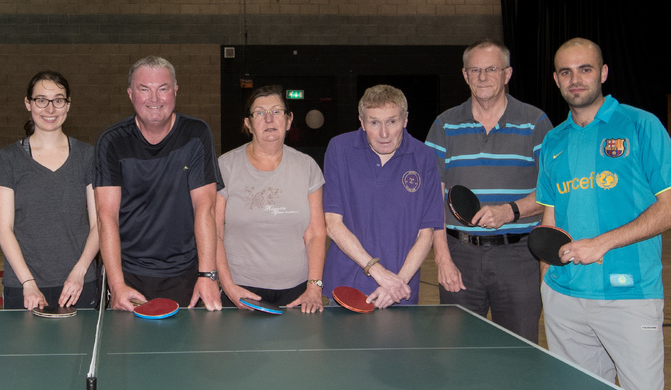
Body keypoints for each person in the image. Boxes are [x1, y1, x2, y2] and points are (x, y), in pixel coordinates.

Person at [536, 38, 671, 390]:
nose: (576, 79)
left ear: (602, 73)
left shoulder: (641, 125)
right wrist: (547, 286)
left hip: (630, 296)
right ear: (556, 79)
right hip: (565, 299)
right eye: (566, 72)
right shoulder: (553, 140)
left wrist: (601, 243)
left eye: (585, 69)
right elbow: (550, 218)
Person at [425, 40, 553, 341]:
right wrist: (443, 259)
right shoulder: (444, 125)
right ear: (465, 75)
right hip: (460, 257)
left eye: (491, 69)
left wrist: (511, 210)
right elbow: (431, 199)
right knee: (459, 353)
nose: (483, 77)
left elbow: (552, 191)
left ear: (507, 74)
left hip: (520, 257)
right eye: (475, 70)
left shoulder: (536, 122)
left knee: (519, 352)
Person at [95, 55, 224, 312]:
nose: (154, 99)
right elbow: (106, 216)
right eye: (145, 89)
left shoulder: (196, 134)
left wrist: (207, 275)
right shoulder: (111, 142)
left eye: (163, 89)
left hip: (187, 274)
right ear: (131, 94)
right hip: (129, 275)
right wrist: (116, 283)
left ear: (175, 92)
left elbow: (205, 207)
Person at [0, 71, 100, 310]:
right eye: (41, 100)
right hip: (23, 286)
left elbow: (100, 223)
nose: (50, 109)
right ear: (28, 103)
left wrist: (80, 272)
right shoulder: (8, 159)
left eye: (58, 100)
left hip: (79, 283)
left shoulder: (87, 156)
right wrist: (28, 282)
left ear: (68, 104)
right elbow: (4, 230)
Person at [323, 85, 442, 308]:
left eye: (392, 122)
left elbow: (426, 234)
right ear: (361, 121)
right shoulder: (339, 149)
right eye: (374, 122)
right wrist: (379, 273)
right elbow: (332, 225)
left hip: (400, 293)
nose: (384, 133)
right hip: (345, 289)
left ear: (405, 120)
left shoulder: (424, 157)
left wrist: (396, 284)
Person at [215, 85, 327, 313]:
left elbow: (315, 233)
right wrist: (227, 287)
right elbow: (214, 231)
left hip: (297, 294)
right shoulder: (225, 166)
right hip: (240, 292)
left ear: (288, 120)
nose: (269, 119)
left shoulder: (307, 167)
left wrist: (314, 287)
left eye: (276, 111)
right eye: (259, 113)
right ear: (248, 124)